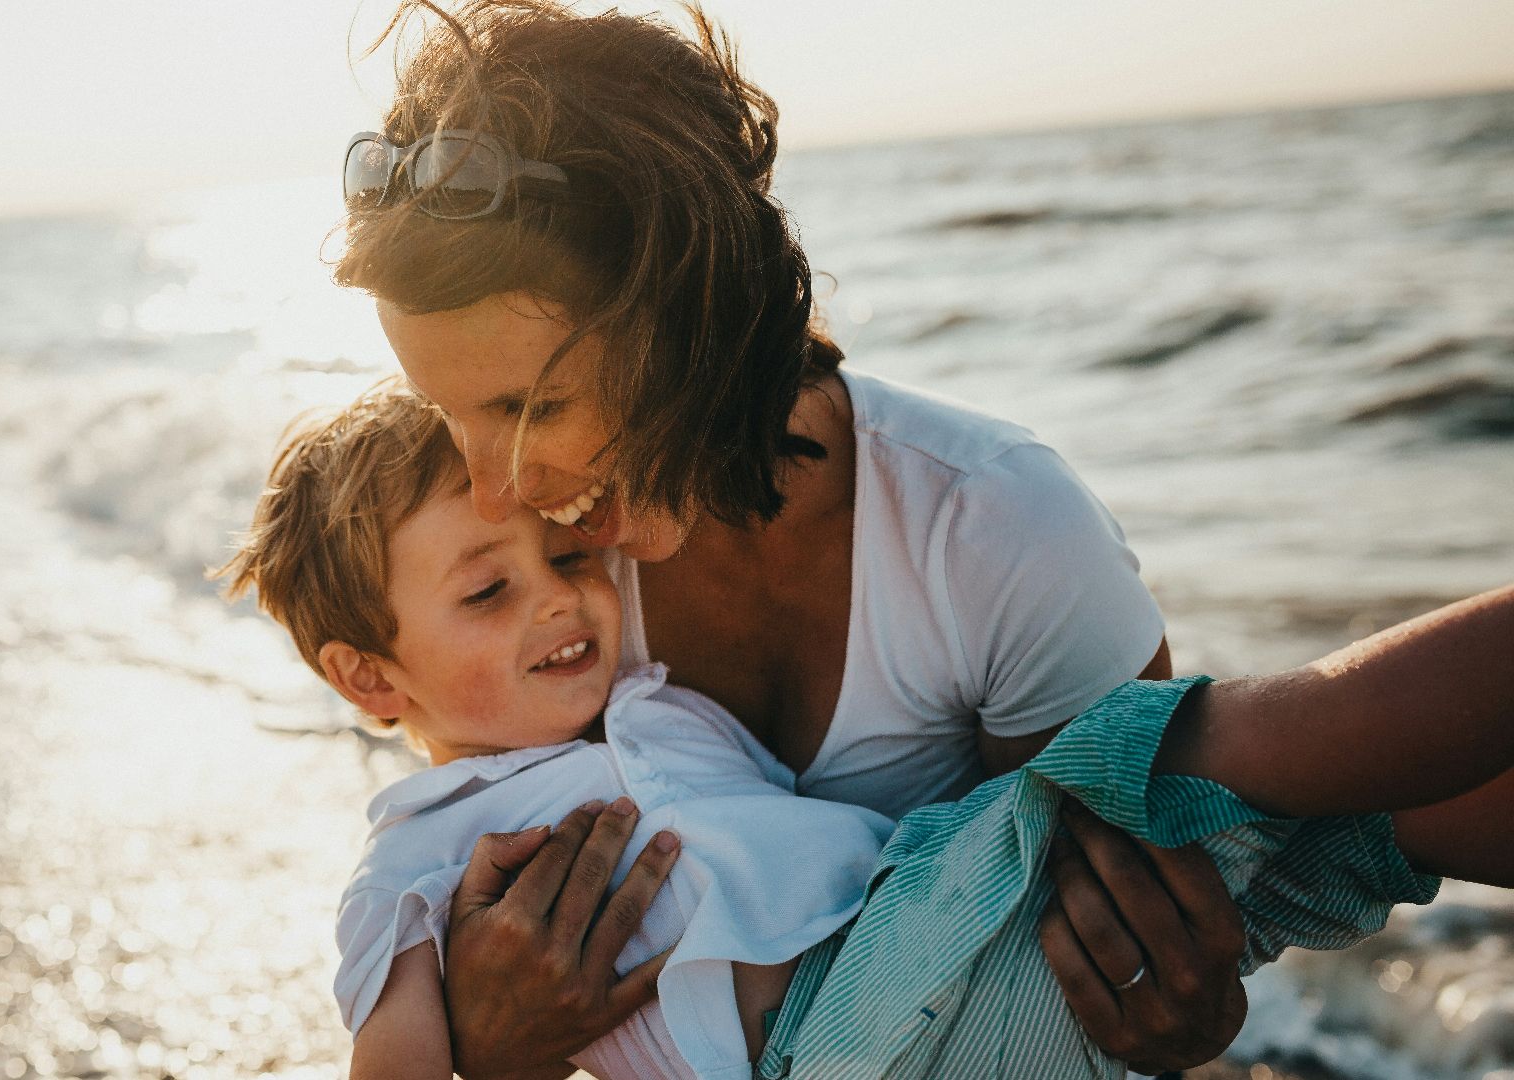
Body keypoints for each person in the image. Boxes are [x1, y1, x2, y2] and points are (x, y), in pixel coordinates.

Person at [335, 2, 1246, 1074]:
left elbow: (1124, 947)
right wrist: (489, 1051)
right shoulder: (536, 586)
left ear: (691, 316)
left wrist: (1191, 1017)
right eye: (449, 410)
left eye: (531, 408)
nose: (495, 489)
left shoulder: (992, 531)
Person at [215, 385, 1514, 1079]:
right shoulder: (418, 857)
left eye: (565, 551)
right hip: (845, 1039)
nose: (562, 595)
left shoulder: (656, 700)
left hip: (953, 970)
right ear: (371, 678)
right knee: (1226, 750)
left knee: (1351, 825)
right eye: (489, 591)